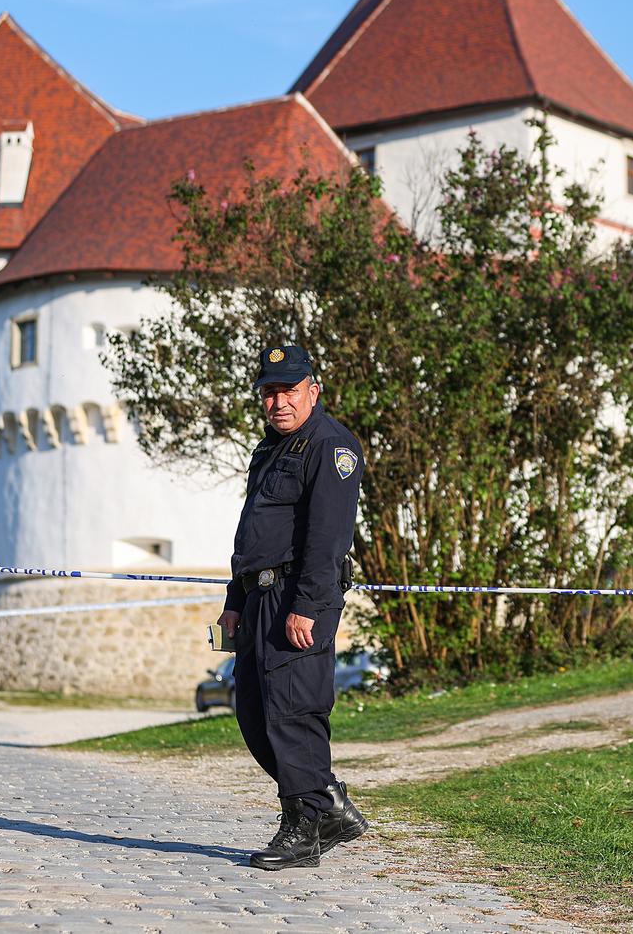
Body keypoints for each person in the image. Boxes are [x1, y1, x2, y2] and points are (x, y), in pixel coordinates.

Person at [216, 343, 369, 870]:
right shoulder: (269, 451)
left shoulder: (331, 447)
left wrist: (306, 605)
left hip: (297, 600)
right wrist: (235, 598)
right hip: (258, 597)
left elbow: (327, 540)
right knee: (256, 717)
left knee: (293, 714)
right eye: (270, 391)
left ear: (312, 391)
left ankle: (303, 827)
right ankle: (326, 804)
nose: (279, 401)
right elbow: (252, 532)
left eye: (289, 390)